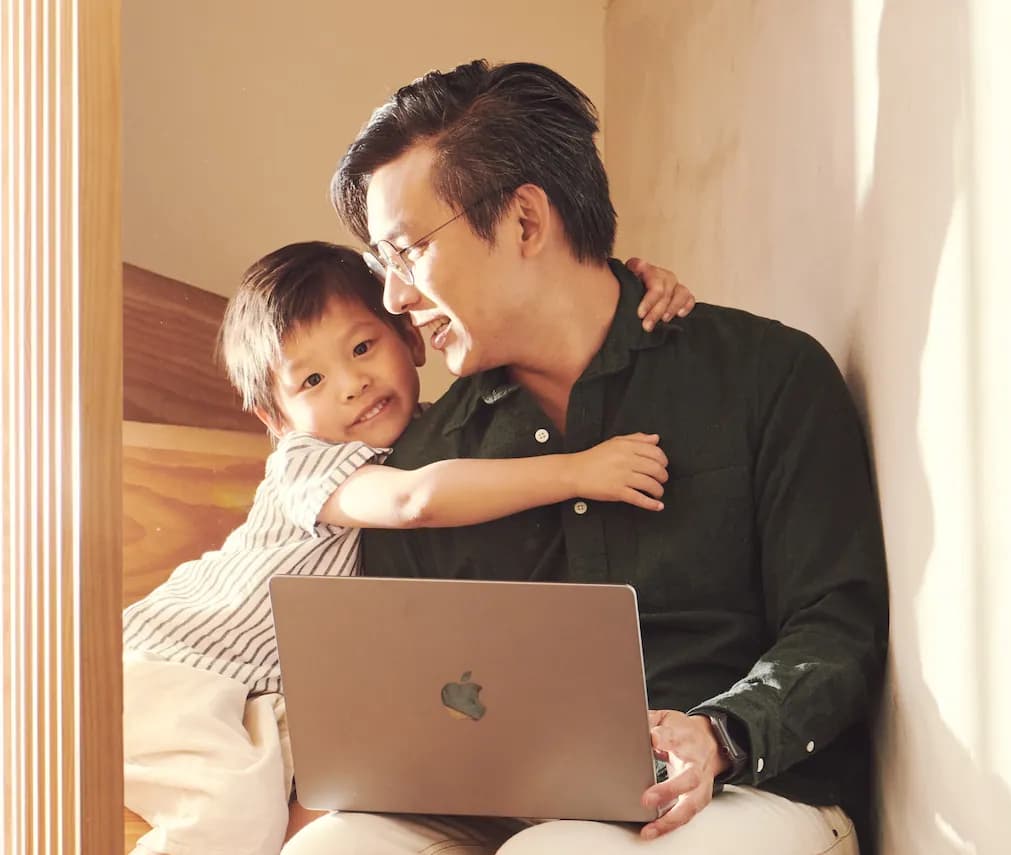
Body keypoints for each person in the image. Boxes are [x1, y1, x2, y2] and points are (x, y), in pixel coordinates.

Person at [284, 60, 888, 855]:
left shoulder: (766, 377)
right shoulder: (427, 464)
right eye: (381, 266)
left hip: (745, 787)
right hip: (500, 803)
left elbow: (837, 626)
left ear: (526, 222)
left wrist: (720, 734)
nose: (393, 298)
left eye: (407, 252)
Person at [122, 241, 695, 855]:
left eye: (363, 348)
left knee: (323, 795)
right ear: (274, 417)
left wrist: (634, 285)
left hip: (265, 698)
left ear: (412, 340)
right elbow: (413, 502)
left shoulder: (432, 435)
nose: (353, 384)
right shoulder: (305, 462)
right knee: (228, 816)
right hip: (176, 667)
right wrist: (578, 472)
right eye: (312, 379)